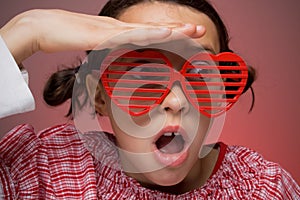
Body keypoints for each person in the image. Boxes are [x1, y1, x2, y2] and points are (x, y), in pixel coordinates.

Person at [0, 0, 299, 199]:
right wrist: (26, 32)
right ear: (99, 96)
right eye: (143, 75)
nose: (176, 101)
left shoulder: (264, 188)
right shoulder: (41, 169)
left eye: (200, 72)